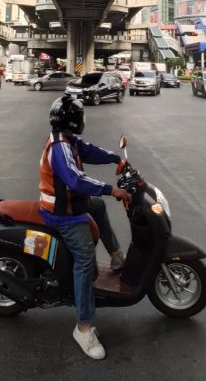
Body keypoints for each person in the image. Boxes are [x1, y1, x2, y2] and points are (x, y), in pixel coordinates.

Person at [39, 94, 131, 360]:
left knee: (98, 208)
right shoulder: (59, 148)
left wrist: (115, 159)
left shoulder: (69, 141)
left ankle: (116, 257)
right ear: (74, 121)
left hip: (70, 204)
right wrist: (110, 190)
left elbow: (89, 150)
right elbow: (77, 181)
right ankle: (84, 327)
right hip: (61, 214)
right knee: (85, 259)